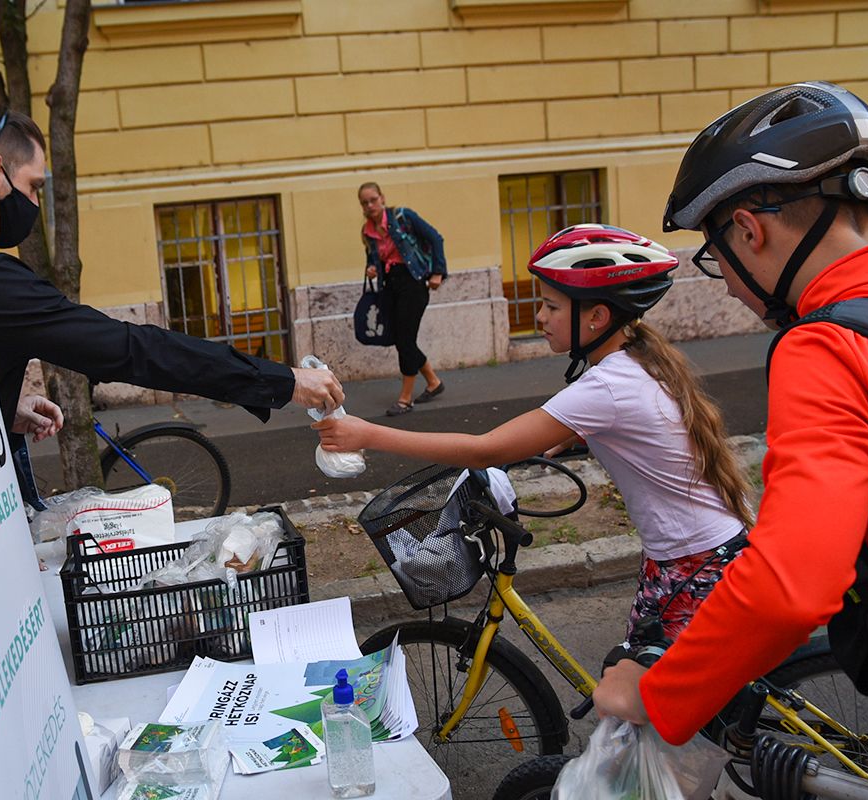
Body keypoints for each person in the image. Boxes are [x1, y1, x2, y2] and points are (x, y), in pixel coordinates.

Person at [591, 81, 868, 762]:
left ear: (749, 230)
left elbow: (791, 586)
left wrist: (657, 692)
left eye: (716, 254)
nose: (724, 280)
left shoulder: (828, 347)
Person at [319, 224, 755, 645]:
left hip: (691, 565)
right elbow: (634, 429)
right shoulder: (634, 362)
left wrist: (367, 434)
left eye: (552, 306)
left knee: (644, 700)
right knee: (644, 691)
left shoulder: (606, 386)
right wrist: (569, 438)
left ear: (597, 316)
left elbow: (485, 449)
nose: (540, 316)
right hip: (702, 554)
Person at [0, 100, 344, 496]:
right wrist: (282, 380)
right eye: (33, 187)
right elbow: (133, 350)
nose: (35, 204)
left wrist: (3, 410)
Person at [358, 182, 448, 416]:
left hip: (413, 283)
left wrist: (438, 272)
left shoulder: (402, 216)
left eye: (373, 200)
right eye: (365, 203)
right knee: (400, 339)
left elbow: (436, 238)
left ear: (382, 198)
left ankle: (405, 399)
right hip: (390, 286)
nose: (370, 205)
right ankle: (433, 382)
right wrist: (371, 268)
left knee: (405, 340)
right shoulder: (367, 231)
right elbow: (373, 258)